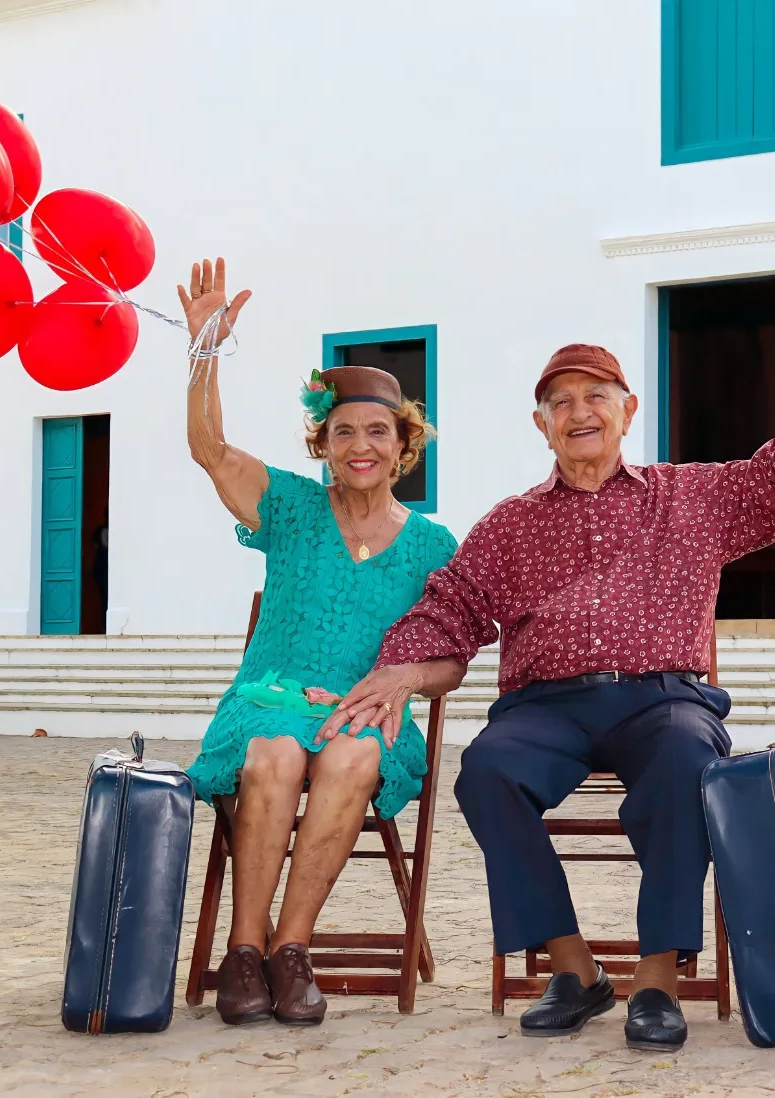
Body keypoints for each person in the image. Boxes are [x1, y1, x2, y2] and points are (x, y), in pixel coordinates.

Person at [320, 258, 775, 1050]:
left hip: (663, 699)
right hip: (547, 707)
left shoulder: (689, 496)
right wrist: (399, 666)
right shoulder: (510, 523)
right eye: (559, 403)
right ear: (541, 424)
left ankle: (657, 982)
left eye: (595, 397)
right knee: (487, 770)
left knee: (684, 765)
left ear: (627, 409)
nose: (578, 414)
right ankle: (575, 970)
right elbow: (453, 606)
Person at [179, 257, 458, 1028]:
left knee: (354, 753)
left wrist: (401, 679)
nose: (359, 446)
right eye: (343, 433)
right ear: (323, 443)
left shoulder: (433, 546)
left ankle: (290, 951)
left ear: (403, 443)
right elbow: (210, 449)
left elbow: (455, 659)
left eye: (376, 431)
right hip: (269, 696)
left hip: (370, 714)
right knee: (274, 751)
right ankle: (243, 952)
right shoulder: (293, 508)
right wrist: (204, 350)